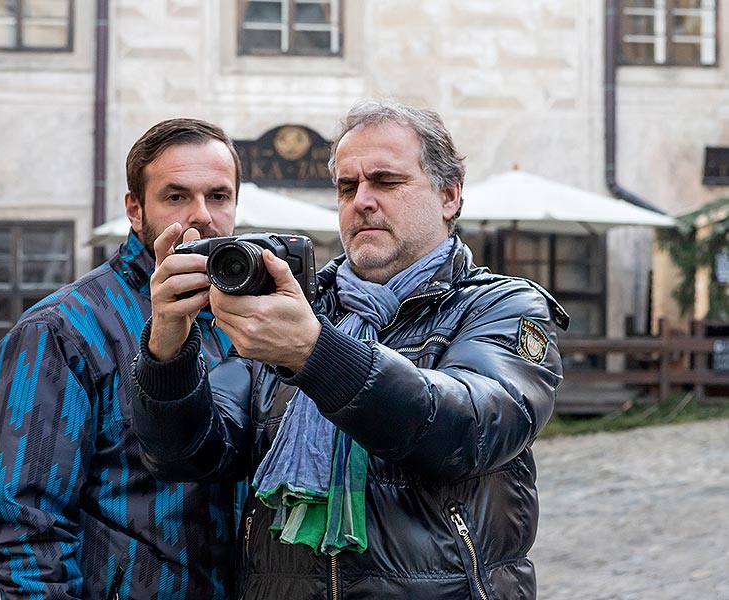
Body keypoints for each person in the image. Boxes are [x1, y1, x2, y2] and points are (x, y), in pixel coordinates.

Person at [128, 100, 570, 599]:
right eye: (346, 186)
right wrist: (167, 349)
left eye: (386, 181)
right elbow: (187, 456)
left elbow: (468, 430)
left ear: (449, 196)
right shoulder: (295, 307)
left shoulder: (503, 305)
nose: (362, 200)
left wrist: (315, 354)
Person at [0, 118, 244, 599]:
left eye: (218, 196)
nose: (202, 216)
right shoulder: (60, 331)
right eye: (176, 197)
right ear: (136, 210)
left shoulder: (245, 322)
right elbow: (20, 532)